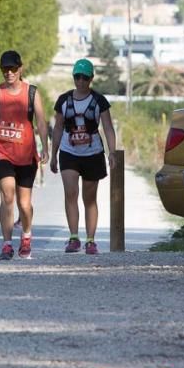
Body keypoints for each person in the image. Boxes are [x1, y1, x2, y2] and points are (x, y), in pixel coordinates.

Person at [0, 50, 49, 260]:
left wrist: (45, 147)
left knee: (24, 204)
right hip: (2, 152)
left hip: (27, 155)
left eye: (12, 68)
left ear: (20, 69)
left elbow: (40, 121)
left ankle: (26, 236)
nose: (8, 72)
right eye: (4, 69)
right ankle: (7, 244)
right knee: (7, 196)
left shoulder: (32, 93)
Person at [49, 58, 117, 255]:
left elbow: (108, 128)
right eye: (77, 77)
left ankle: (90, 240)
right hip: (69, 153)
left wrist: (112, 152)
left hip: (92, 153)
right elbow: (58, 128)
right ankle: (73, 237)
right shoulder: (63, 100)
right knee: (71, 193)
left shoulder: (99, 101)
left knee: (90, 198)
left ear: (91, 79)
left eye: (84, 78)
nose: (80, 81)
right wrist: (53, 155)